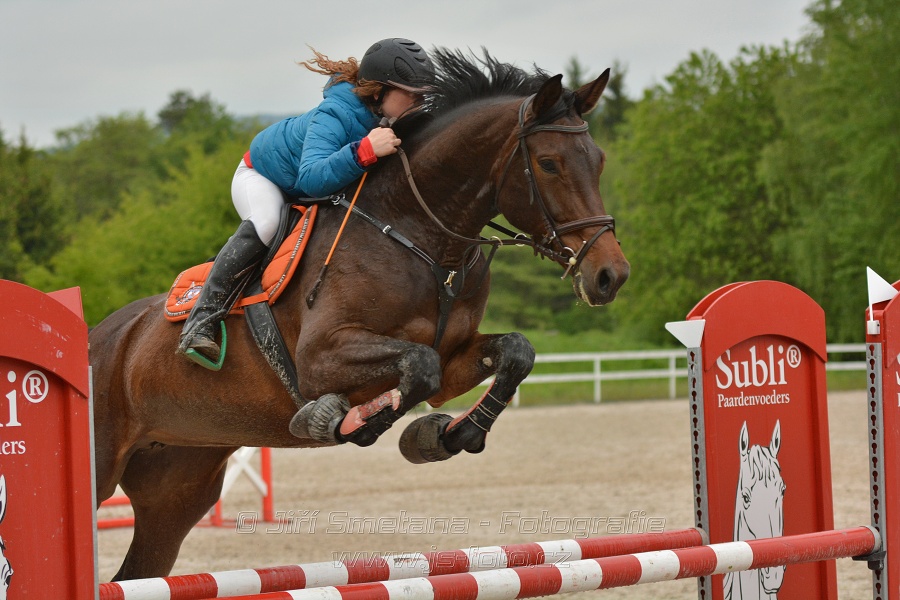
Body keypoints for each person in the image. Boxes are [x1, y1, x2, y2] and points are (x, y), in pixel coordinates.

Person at [177, 38, 435, 367]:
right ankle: (201, 321)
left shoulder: (388, 118)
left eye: (423, 93)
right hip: (263, 177)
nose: (420, 100)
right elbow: (310, 178)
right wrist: (364, 152)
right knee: (267, 223)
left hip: (309, 187)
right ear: (378, 91)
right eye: (412, 93)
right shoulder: (336, 114)